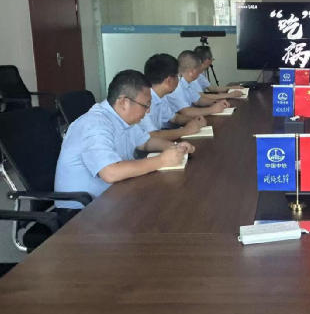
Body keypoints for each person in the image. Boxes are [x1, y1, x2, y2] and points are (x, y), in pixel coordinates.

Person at [55, 70, 196, 210]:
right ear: (123, 102)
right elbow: (110, 173)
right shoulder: (94, 124)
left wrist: (176, 147)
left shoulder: (122, 119)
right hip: (82, 212)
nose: (148, 111)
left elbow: (145, 142)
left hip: (114, 196)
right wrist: (162, 160)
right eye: (146, 105)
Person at [140, 54, 207, 142]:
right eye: (178, 76)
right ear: (169, 80)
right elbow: (153, 135)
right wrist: (186, 131)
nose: (179, 80)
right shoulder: (143, 100)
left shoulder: (160, 96)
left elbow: (175, 118)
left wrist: (194, 120)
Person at [165, 51, 230, 118]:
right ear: (192, 71)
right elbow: (186, 112)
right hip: (177, 122)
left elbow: (198, 100)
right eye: (199, 70)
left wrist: (216, 102)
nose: (200, 73)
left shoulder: (188, 81)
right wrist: (212, 110)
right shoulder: (175, 85)